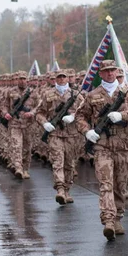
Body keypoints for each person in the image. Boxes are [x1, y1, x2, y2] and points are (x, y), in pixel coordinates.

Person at [75, 60, 128, 241]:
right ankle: (108, 220)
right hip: (103, 145)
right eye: (106, 71)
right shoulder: (92, 95)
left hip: (123, 145)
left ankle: (117, 217)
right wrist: (87, 131)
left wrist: (122, 115)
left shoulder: (126, 94)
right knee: (106, 184)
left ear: (116, 71)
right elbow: (80, 116)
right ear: (100, 73)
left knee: (120, 185)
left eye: (112, 70)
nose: (109, 74)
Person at [36, 70, 84, 204]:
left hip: (72, 135)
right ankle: (60, 190)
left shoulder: (76, 95)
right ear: (55, 79)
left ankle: (67, 189)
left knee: (69, 164)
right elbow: (39, 113)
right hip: (55, 134)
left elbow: (84, 112)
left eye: (64, 77)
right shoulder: (48, 94)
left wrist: (73, 116)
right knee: (58, 162)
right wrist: (45, 123)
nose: (62, 79)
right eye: (59, 77)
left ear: (68, 79)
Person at [2, 71, 37, 179]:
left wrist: (32, 113)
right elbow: (4, 105)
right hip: (15, 124)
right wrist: (6, 113)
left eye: (24, 78)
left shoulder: (33, 93)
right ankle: (18, 168)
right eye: (20, 79)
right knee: (16, 146)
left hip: (28, 125)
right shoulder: (10, 92)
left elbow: (39, 107)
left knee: (27, 147)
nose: (22, 81)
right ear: (17, 80)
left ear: (27, 80)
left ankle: (25, 169)